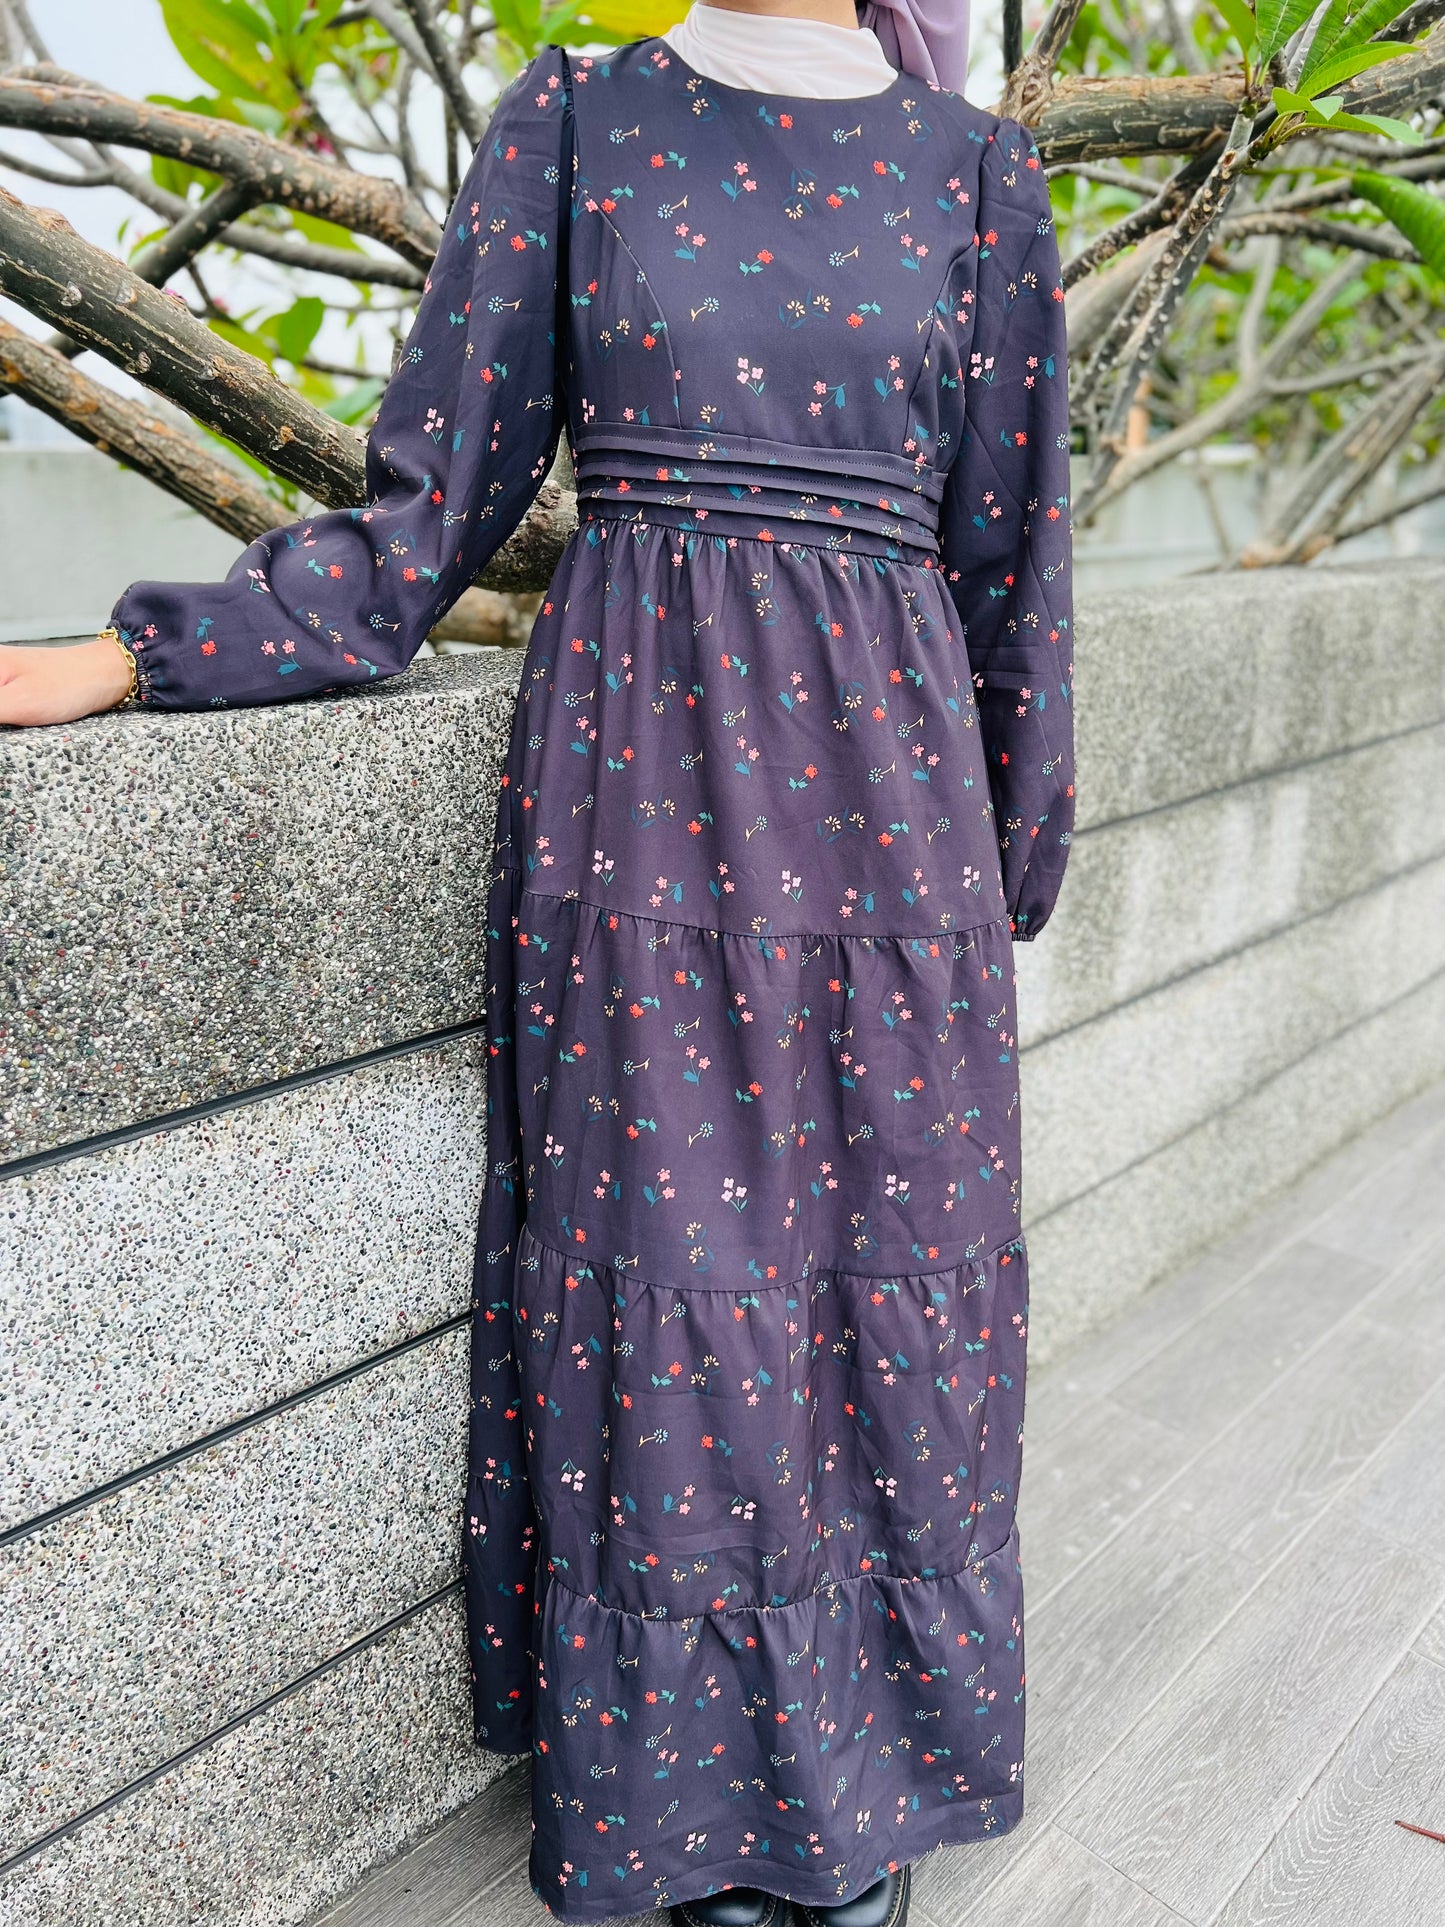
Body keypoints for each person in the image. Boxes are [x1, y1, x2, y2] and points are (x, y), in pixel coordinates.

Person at [0, 4, 1074, 1923]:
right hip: (641, 788)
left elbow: (1011, 567)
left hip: (890, 825)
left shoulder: (974, 171)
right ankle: (696, 1804)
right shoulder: (577, 118)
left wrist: (1003, 869)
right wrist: (139, 654)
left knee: (872, 1280)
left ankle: (858, 1783)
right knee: (670, 1277)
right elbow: (431, 502)